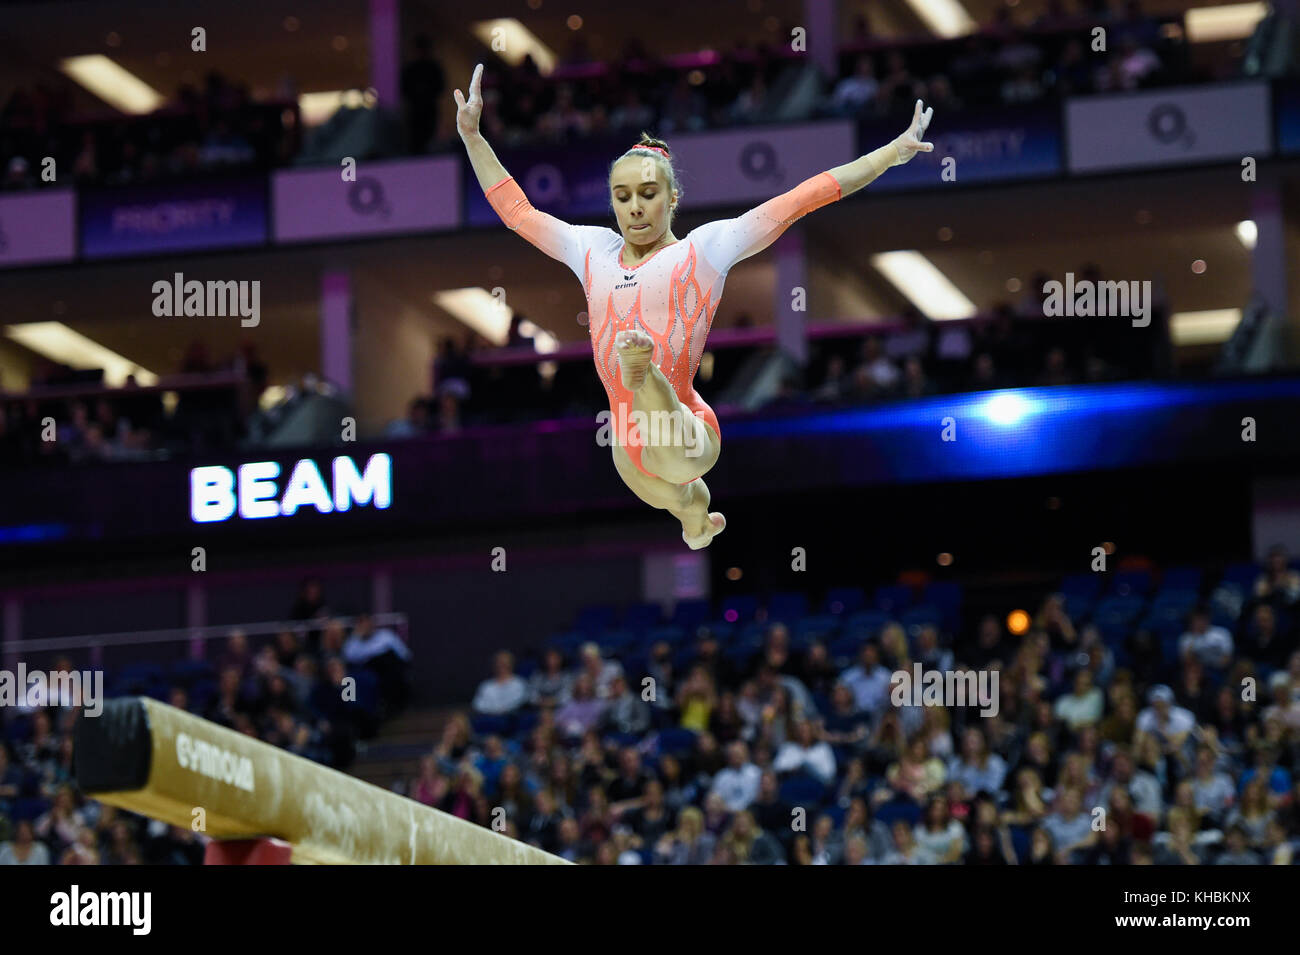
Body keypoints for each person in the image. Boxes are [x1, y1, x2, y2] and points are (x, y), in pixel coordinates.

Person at [456, 62, 933, 547]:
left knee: (663, 442)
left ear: (673, 197)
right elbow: (519, 213)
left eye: (648, 194)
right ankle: (698, 521)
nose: (635, 207)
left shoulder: (703, 250)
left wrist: (889, 154)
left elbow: (799, 199)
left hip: (686, 430)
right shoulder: (590, 249)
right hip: (627, 446)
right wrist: (474, 136)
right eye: (622, 197)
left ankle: (643, 373)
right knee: (682, 500)